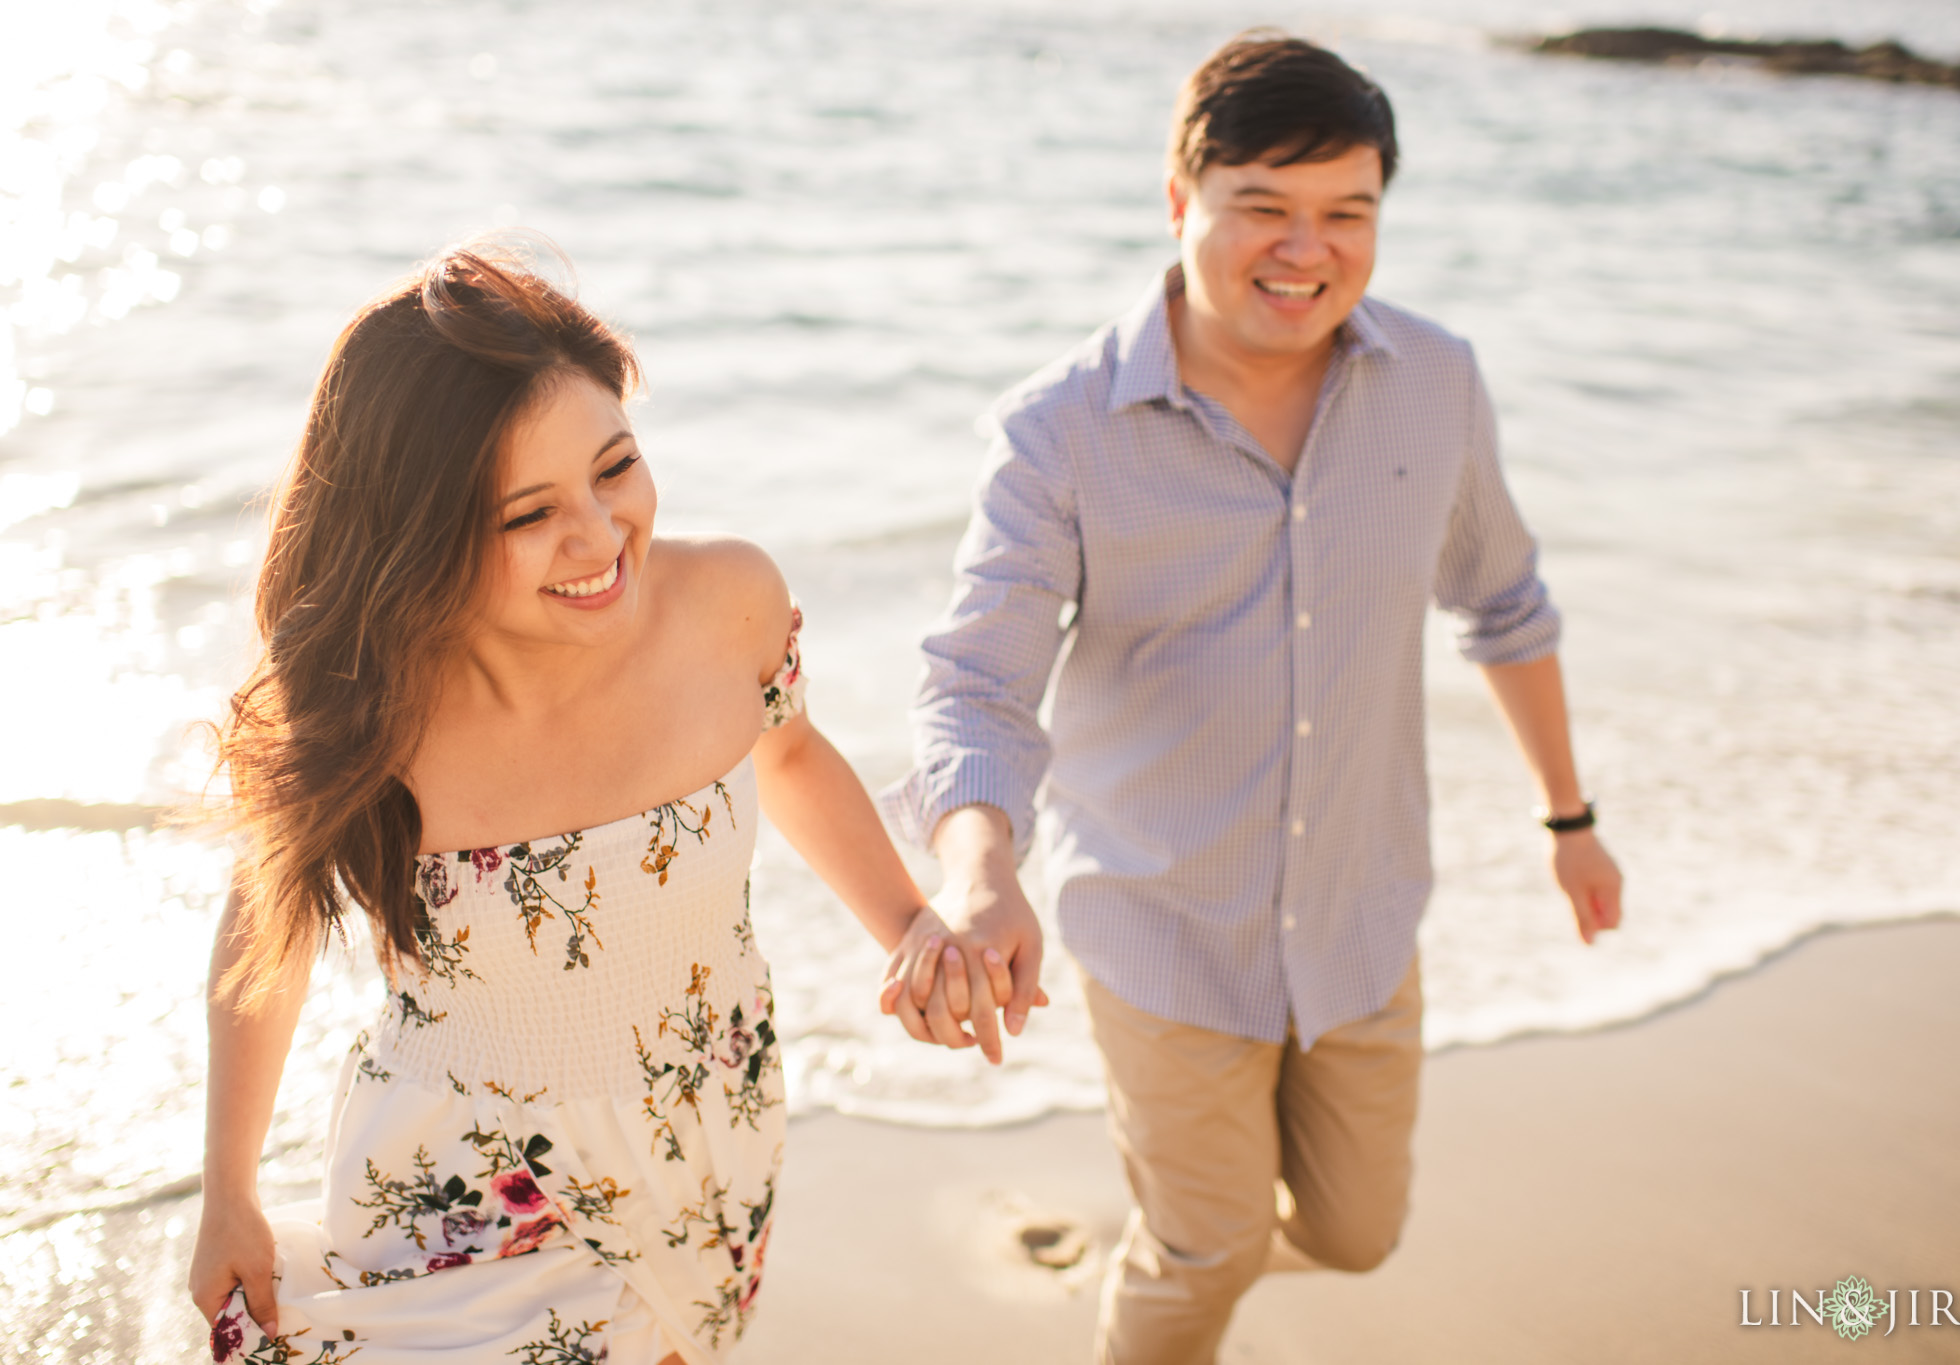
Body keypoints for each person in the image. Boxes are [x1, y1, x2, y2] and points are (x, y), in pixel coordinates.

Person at [881, 33, 1625, 1365]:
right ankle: (1179, 1269)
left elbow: (1502, 600)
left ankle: (1180, 1255)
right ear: (1181, 205)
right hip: (1163, 924)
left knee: (1355, 1233)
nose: (1308, 250)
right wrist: (983, 872)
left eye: (1349, 213)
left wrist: (1569, 821)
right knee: (1210, 1244)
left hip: (1357, 913)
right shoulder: (1060, 428)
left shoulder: (1437, 383)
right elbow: (977, 682)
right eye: (1265, 210)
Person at [187, 242, 1010, 1365]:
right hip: (466, 1178)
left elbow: (795, 755)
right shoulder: (369, 706)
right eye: (527, 515)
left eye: (614, 467)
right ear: (420, 532)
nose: (597, 535)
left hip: (707, 1131)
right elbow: (265, 933)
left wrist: (911, 924)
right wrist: (226, 1190)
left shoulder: (728, 602)